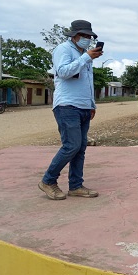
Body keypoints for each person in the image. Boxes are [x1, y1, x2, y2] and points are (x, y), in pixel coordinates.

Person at [38, 20, 103, 200]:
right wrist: (86, 57)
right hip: (67, 105)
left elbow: (87, 82)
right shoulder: (63, 50)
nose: (88, 39)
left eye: (90, 36)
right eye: (85, 36)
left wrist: (91, 104)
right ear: (74, 35)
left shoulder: (84, 54)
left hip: (83, 107)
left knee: (80, 148)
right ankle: (48, 181)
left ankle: (75, 186)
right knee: (71, 146)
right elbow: (63, 72)